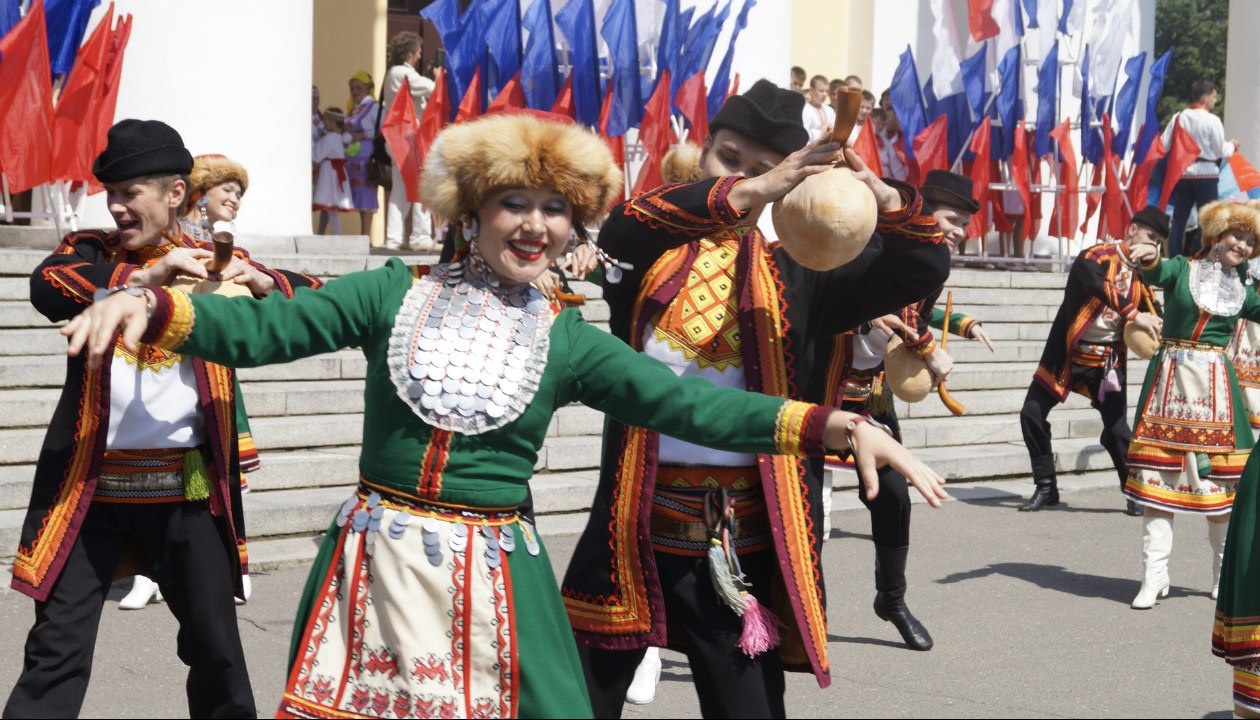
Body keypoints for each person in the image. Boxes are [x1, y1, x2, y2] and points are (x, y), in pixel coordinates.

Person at [59, 111, 947, 719]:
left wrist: (840, 427)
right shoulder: (390, 293)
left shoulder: (569, 339)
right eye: (516, 204)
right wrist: (154, 307)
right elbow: (271, 326)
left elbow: (685, 406)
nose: (536, 226)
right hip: (379, 566)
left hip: (501, 570)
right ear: (472, 211)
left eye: (557, 211)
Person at [562, 80, 952, 718]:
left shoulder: (804, 275)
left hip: (736, 544)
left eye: (768, 170)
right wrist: (752, 189)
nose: (747, 178)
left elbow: (920, 268)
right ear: (704, 151)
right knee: (576, 704)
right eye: (730, 158)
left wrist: (887, 199)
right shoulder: (648, 251)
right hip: (630, 527)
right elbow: (624, 227)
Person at [5, 119, 321, 718]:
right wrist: (144, 278)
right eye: (112, 193)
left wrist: (259, 280)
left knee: (217, 653)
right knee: (55, 654)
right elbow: (46, 286)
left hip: (187, 492)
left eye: (131, 192)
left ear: (175, 193)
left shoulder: (218, 262)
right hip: (89, 492)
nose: (117, 206)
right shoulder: (90, 253)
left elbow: (316, 303)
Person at [818, 170, 990, 653]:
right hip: (819, 393)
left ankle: (891, 600)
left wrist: (955, 325)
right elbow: (867, 307)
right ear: (919, 214)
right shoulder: (869, 248)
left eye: (964, 225)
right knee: (812, 510)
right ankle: (797, 605)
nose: (959, 231)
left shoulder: (929, 266)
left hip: (870, 397)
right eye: (952, 219)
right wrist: (928, 346)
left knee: (894, 497)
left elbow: (914, 312)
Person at [1124, 200, 1260, 609]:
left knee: (1219, 495)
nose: (1244, 245)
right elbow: (1156, 270)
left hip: (1217, 397)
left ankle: (1220, 576)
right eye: (1238, 235)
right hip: (1169, 387)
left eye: (1252, 242)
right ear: (1217, 235)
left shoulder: (1245, 289)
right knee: (1155, 487)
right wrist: (1148, 257)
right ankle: (1154, 578)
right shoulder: (1183, 268)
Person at [1018, 207, 1169, 514]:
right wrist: (1132, 313)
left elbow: (1157, 315)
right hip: (1067, 355)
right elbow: (1094, 284)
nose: (1152, 245)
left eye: (1159, 243)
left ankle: (1133, 491)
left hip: (1107, 362)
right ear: (1131, 230)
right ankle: (1046, 487)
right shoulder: (1095, 256)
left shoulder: (1144, 277)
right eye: (1150, 237)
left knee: (1116, 431)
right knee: (1031, 413)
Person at [1162, 81, 1240, 258]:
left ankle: (1174, 257)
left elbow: (1164, 145)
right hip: (1207, 174)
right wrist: (1233, 145)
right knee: (1207, 218)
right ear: (1204, 98)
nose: (1216, 99)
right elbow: (1222, 150)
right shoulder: (1212, 120)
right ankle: (1201, 255)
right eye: (1214, 96)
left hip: (1184, 173)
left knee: (1179, 218)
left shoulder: (1178, 118)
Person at [381, 31, 436, 251]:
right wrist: (439, 78)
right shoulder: (401, 72)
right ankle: (419, 236)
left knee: (401, 191)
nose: (421, 54)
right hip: (407, 138)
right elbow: (432, 89)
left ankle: (394, 239)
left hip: (401, 138)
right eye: (419, 50)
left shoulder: (395, 72)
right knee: (421, 185)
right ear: (410, 52)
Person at [344, 70, 381, 236]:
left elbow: (382, 130)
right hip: (352, 158)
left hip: (366, 157)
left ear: (367, 88)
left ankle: (366, 236)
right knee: (358, 196)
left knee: (366, 196)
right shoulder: (353, 108)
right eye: (352, 88)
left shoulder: (374, 107)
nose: (355, 91)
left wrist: (362, 135)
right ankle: (362, 236)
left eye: (358, 87)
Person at [313, 107, 354, 234]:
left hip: (329, 173)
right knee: (333, 208)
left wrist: (310, 146)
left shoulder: (329, 138)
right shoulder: (339, 138)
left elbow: (317, 155)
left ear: (332, 121)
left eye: (325, 119)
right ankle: (337, 234)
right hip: (337, 172)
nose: (323, 122)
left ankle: (335, 234)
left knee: (330, 204)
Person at [801, 74, 835, 142]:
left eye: (827, 91)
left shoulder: (829, 110)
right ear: (811, 90)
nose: (825, 94)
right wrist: (820, 132)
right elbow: (803, 134)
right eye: (821, 91)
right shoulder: (805, 110)